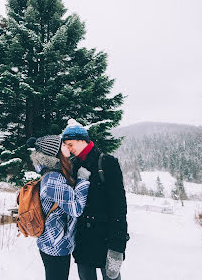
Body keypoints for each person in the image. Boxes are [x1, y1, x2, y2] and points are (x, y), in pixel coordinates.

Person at [61, 119, 129, 280]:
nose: (69, 149)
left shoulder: (107, 162)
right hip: (83, 239)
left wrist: (117, 245)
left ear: (82, 140)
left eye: (70, 144)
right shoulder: (73, 164)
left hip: (106, 238)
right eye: (66, 146)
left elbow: (119, 205)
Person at [26, 135, 90, 280]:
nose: (67, 147)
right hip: (55, 245)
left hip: (54, 242)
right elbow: (76, 208)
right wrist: (83, 180)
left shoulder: (55, 173)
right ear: (54, 153)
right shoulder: (53, 178)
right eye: (63, 146)